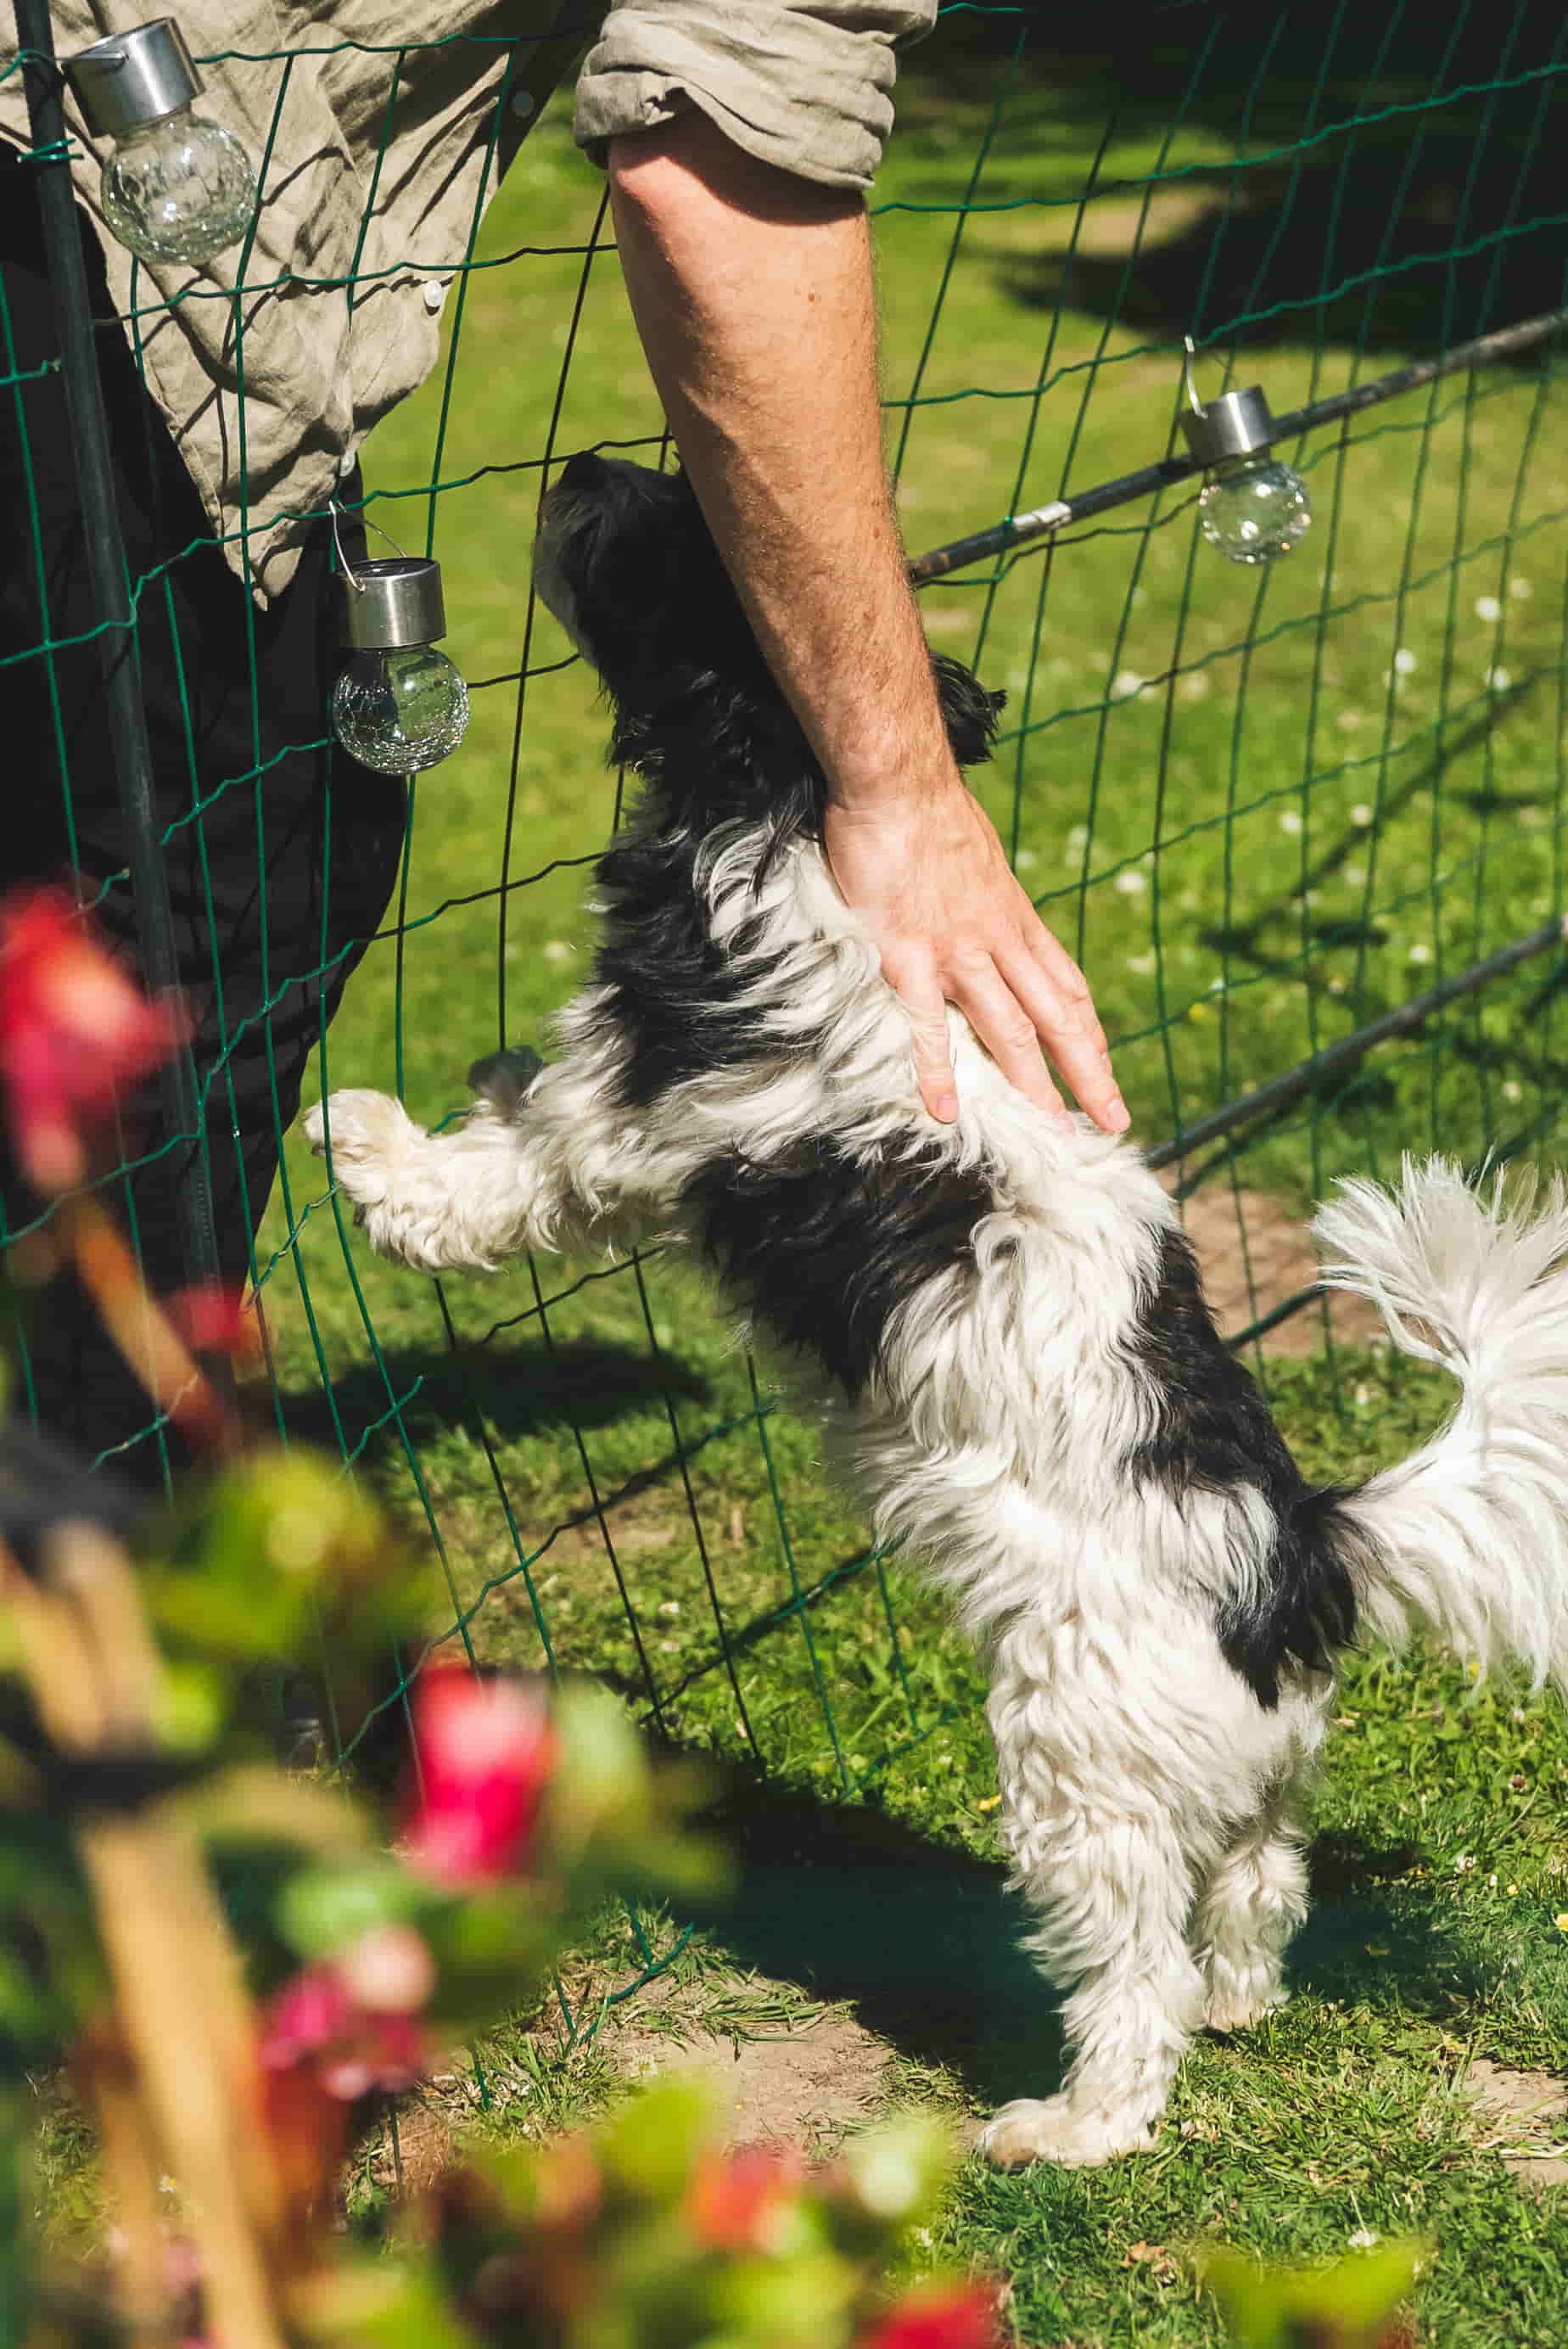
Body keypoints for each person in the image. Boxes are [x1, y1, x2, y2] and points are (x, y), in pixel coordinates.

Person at [0, 2, 1125, 1481]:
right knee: (225, 880)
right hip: (83, 184)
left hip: (124, 190)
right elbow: (721, 161)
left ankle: (96, 1490)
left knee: (242, 858)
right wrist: (897, 784)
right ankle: (103, 1529)